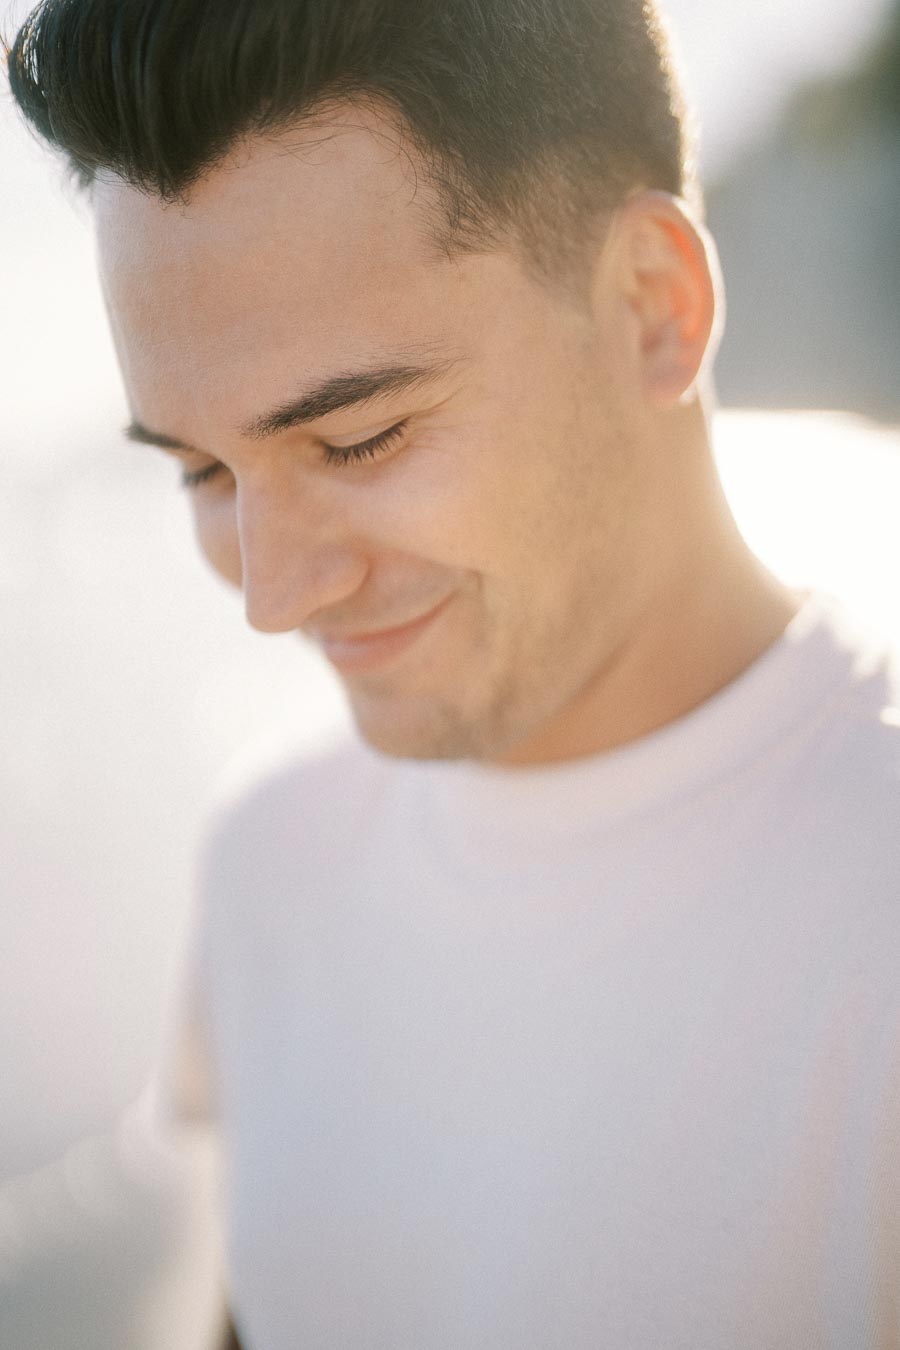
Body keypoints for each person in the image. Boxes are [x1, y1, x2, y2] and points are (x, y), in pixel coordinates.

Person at [6, 1, 899, 1347]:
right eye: (202, 469)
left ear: (653, 306)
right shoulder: (268, 864)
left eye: (357, 439)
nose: (269, 594)